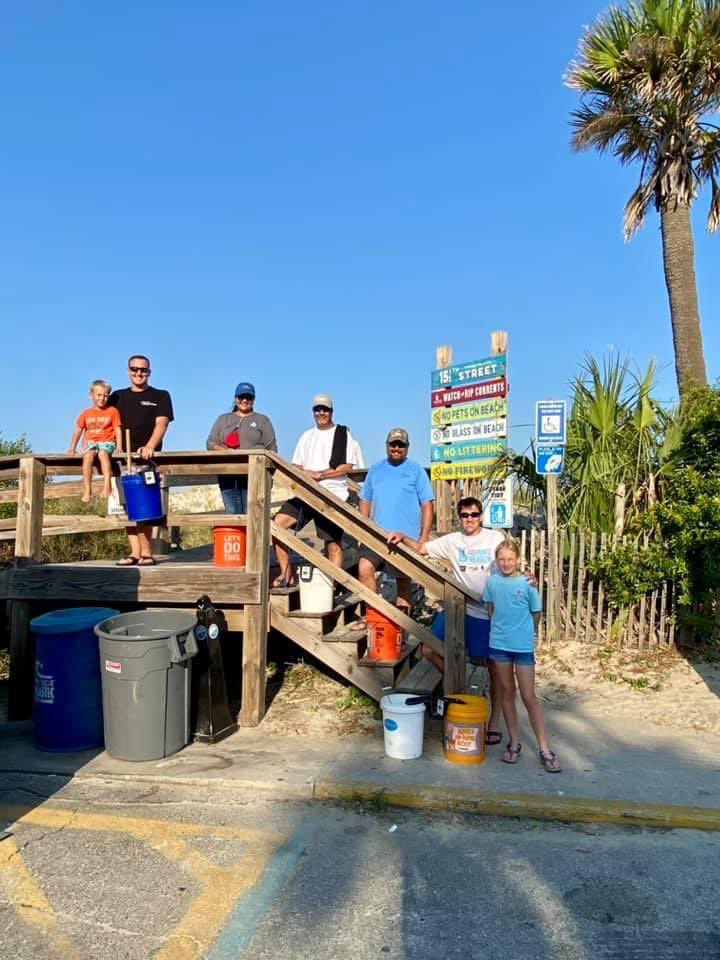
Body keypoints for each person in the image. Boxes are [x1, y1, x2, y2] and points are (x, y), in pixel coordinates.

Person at [387, 496, 505, 743]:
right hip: (457, 607)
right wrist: (402, 536)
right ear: (459, 518)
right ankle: (459, 686)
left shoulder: (495, 538)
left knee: (494, 667)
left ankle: (494, 721)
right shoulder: (453, 541)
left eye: (474, 515)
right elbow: (422, 548)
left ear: (481, 516)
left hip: (487, 612)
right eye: (465, 515)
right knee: (428, 649)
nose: (470, 519)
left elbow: (508, 564)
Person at [483, 540, 561, 772]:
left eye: (510, 559)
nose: (506, 563)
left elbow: (536, 613)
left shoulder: (528, 584)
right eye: (502, 559)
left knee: (529, 696)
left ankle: (544, 748)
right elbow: (490, 610)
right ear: (497, 561)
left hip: (523, 646)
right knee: (507, 691)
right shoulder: (493, 582)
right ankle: (514, 743)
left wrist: (526, 632)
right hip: (499, 644)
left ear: (517, 559)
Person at [273, 394, 363, 587]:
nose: (321, 413)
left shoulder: (342, 433)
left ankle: (331, 585)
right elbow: (295, 465)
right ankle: (286, 574)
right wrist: (308, 474)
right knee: (277, 525)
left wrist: (321, 476)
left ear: (331, 412)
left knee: (332, 544)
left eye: (325, 409)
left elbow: (347, 466)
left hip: (332, 495)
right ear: (313, 412)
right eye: (317, 409)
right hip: (306, 493)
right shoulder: (306, 436)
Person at [357, 428, 434, 619]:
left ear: (407, 448)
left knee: (403, 581)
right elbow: (365, 499)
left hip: (405, 538)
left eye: (401, 445)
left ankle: (402, 626)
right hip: (377, 535)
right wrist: (362, 529)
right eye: (393, 444)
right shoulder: (375, 469)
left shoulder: (416, 470)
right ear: (387, 446)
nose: (397, 448)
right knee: (364, 568)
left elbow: (427, 504)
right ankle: (373, 618)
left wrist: (423, 538)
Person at [108, 354, 174, 567]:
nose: (138, 373)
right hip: (120, 459)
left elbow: (162, 424)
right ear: (128, 371)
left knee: (144, 505)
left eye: (143, 370)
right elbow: (106, 420)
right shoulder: (117, 396)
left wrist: (150, 446)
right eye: (134, 369)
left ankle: (147, 552)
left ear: (149, 372)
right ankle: (134, 552)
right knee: (125, 506)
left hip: (146, 460)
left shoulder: (161, 396)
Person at [206, 382, 277, 513]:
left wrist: (269, 475)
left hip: (254, 474)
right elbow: (210, 443)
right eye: (241, 397)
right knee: (232, 512)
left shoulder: (262, 420)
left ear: (253, 399)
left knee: (252, 513)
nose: (245, 400)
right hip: (227, 474)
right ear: (235, 398)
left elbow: (272, 448)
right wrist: (226, 451)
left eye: (248, 397)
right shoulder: (223, 419)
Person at [67, 380, 123, 502]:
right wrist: (72, 447)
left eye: (106, 395)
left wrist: (119, 445)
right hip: (91, 442)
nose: (102, 398)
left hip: (107, 441)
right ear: (91, 395)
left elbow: (117, 429)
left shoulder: (113, 411)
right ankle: (87, 489)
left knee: (103, 454)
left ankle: (107, 485)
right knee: (88, 456)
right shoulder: (86, 413)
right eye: (99, 395)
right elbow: (78, 430)